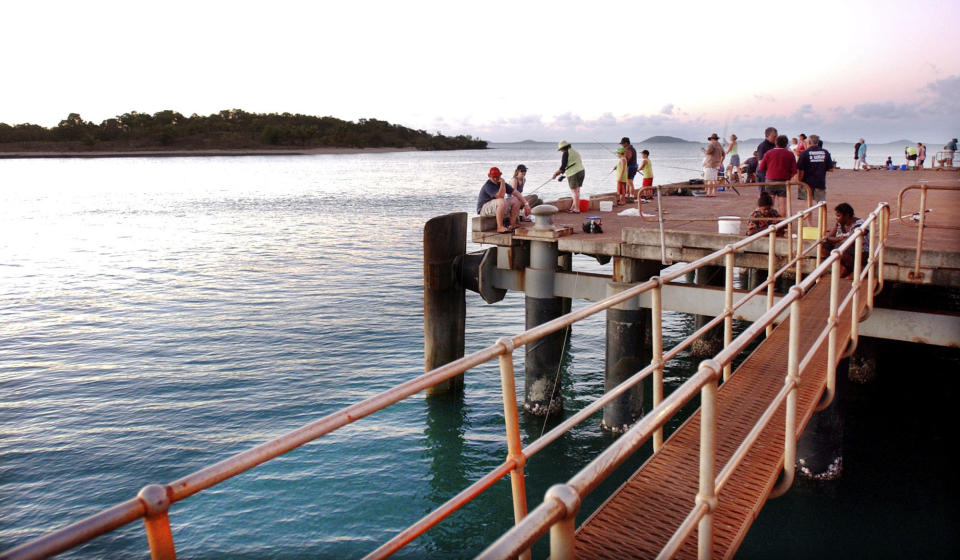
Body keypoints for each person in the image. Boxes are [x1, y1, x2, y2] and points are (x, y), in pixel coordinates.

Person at [821, 202, 869, 278]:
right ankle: (845, 267)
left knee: (841, 248)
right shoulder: (839, 223)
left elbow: (851, 240)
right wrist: (837, 239)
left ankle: (859, 268)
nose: (836, 218)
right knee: (824, 247)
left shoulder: (859, 224)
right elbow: (829, 237)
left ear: (847, 215)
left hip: (861, 251)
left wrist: (837, 240)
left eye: (839, 216)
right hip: (845, 248)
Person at [796, 134, 834, 224]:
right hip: (820, 181)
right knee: (821, 203)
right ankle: (824, 224)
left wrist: (799, 181)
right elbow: (831, 169)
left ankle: (810, 224)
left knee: (808, 204)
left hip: (807, 182)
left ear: (809, 142)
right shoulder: (825, 152)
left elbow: (800, 169)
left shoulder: (805, 153)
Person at [757, 134, 797, 217]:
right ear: (786, 144)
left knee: (769, 204)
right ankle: (781, 224)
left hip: (770, 180)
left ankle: (768, 222)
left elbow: (761, 167)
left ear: (776, 143)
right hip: (784, 181)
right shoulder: (790, 154)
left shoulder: (769, 153)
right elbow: (794, 170)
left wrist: (770, 170)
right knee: (782, 204)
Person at [477, 166, 522, 233]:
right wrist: (502, 183)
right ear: (489, 176)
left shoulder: (501, 183)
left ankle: (512, 224)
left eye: (497, 177)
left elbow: (516, 192)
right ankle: (500, 227)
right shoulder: (488, 185)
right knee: (501, 200)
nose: (495, 179)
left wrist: (526, 204)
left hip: (495, 205)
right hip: (483, 209)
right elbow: (500, 196)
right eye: (493, 177)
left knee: (515, 200)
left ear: (500, 175)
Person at [552, 140, 585, 213]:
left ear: (563, 148)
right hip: (582, 171)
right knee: (577, 191)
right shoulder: (575, 152)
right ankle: (573, 207)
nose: (561, 151)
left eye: (561, 149)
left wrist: (555, 174)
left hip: (573, 173)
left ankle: (577, 209)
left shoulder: (566, 153)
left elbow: (562, 168)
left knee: (574, 192)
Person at [701, 133, 724, 197]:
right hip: (717, 165)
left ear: (712, 139)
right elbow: (723, 154)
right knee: (714, 180)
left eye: (711, 139)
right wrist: (721, 162)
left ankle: (709, 193)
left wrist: (703, 150)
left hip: (710, 164)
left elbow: (708, 152)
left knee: (709, 180)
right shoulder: (720, 145)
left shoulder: (712, 145)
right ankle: (713, 193)